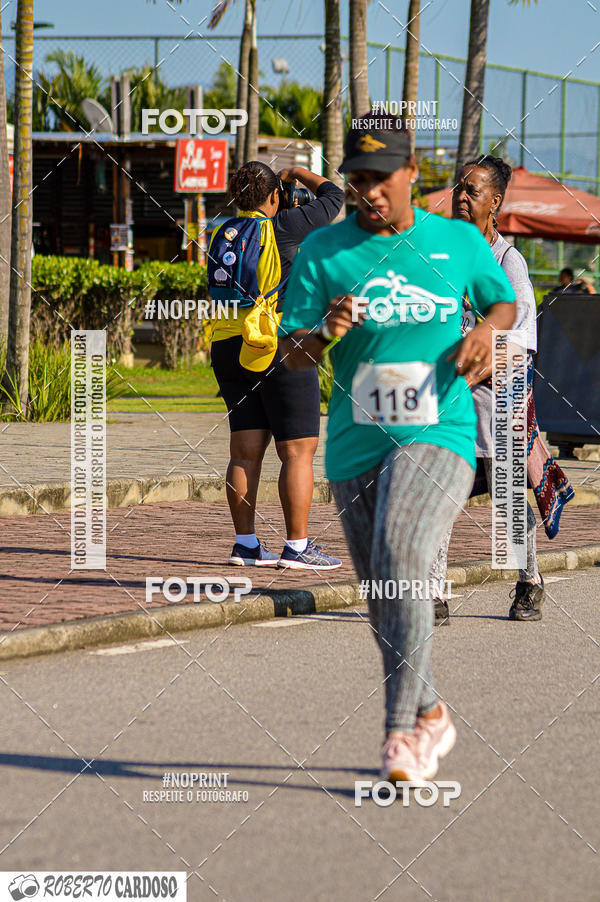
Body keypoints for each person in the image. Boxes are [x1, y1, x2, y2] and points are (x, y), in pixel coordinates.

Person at [279, 116, 516, 784]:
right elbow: (292, 355)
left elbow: (502, 307)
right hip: (355, 445)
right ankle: (433, 711)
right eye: (357, 179)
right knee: (385, 587)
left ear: (412, 174)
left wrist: (484, 338)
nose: (368, 191)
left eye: (381, 178)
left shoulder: (458, 242)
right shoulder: (324, 252)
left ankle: (397, 733)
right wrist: (323, 332)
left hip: (440, 431)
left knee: (403, 551)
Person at [429, 155, 575, 625]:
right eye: (459, 188)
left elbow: (517, 349)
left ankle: (530, 580)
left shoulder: (509, 267)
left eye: (472, 190)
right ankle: (433, 595)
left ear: (496, 202)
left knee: (509, 508)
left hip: (497, 410)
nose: (461, 196)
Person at [209, 162, 344, 569]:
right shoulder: (283, 226)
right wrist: (297, 172)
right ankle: (298, 547)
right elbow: (334, 197)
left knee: (244, 451)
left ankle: (246, 545)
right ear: (273, 198)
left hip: (227, 344)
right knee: (298, 451)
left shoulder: (222, 232)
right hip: (279, 343)